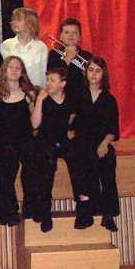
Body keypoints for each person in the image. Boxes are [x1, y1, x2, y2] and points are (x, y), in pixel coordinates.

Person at [68, 57, 120, 231]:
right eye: (91, 70)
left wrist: (104, 143)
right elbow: (68, 118)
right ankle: (84, 209)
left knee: (108, 163)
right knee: (79, 159)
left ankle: (109, 214)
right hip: (81, 142)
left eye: (98, 71)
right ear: (86, 72)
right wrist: (67, 130)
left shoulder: (109, 99)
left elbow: (113, 128)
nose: (94, 74)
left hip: (101, 141)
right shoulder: (78, 95)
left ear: (103, 74)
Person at [0, 56, 36, 226]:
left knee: (32, 165)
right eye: (11, 67)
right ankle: (8, 211)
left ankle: (30, 208)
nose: (14, 70)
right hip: (3, 139)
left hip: (24, 139)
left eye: (18, 68)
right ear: (4, 70)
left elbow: (34, 122)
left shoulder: (29, 94)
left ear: (22, 72)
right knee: (6, 167)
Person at [30, 67, 76, 232]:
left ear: (62, 83)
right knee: (48, 165)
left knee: (77, 158)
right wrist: (39, 101)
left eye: (52, 80)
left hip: (62, 139)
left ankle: (84, 204)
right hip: (45, 139)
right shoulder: (44, 99)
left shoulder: (69, 100)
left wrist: (70, 130)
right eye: (47, 80)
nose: (48, 84)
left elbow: (72, 119)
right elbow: (35, 124)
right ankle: (45, 212)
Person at [47, 18, 93, 104]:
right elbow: (52, 78)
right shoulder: (53, 55)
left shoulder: (88, 56)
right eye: (66, 32)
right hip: (58, 101)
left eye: (74, 33)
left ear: (79, 37)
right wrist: (67, 59)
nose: (70, 35)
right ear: (60, 36)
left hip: (81, 100)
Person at [0, 7, 48, 88]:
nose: (14, 22)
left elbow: (44, 73)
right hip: (12, 91)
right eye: (13, 19)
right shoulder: (6, 45)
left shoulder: (41, 47)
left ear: (30, 23)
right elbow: (2, 71)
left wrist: (43, 91)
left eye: (19, 19)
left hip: (35, 90)